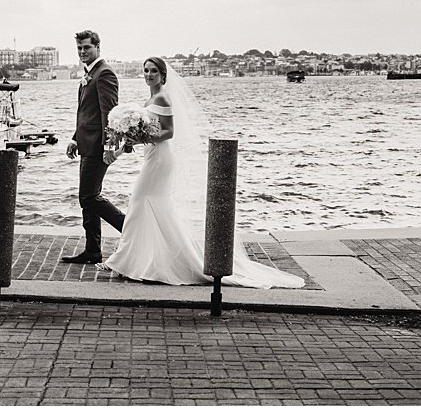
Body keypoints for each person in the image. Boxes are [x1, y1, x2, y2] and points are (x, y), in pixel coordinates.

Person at [103, 57, 304, 288]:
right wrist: (121, 148)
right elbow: (147, 133)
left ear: (163, 75)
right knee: (151, 208)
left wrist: (141, 136)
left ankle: (131, 260)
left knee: (141, 202)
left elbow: (168, 133)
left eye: (154, 71)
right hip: (152, 157)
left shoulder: (163, 97)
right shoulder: (150, 98)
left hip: (160, 160)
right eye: (146, 71)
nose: (149, 75)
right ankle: (143, 261)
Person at [61, 29, 125, 264]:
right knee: (86, 198)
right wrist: (75, 138)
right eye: (79, 48)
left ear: (98, 47)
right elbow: (86, 113)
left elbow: (110, 114)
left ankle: (128, 227)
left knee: (89, 197)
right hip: (86, 144)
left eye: (86, 47)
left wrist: (110, 145)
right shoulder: (89, 74)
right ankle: (93, 250)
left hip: (99, 147)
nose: (82, 52)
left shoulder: (104, 74)